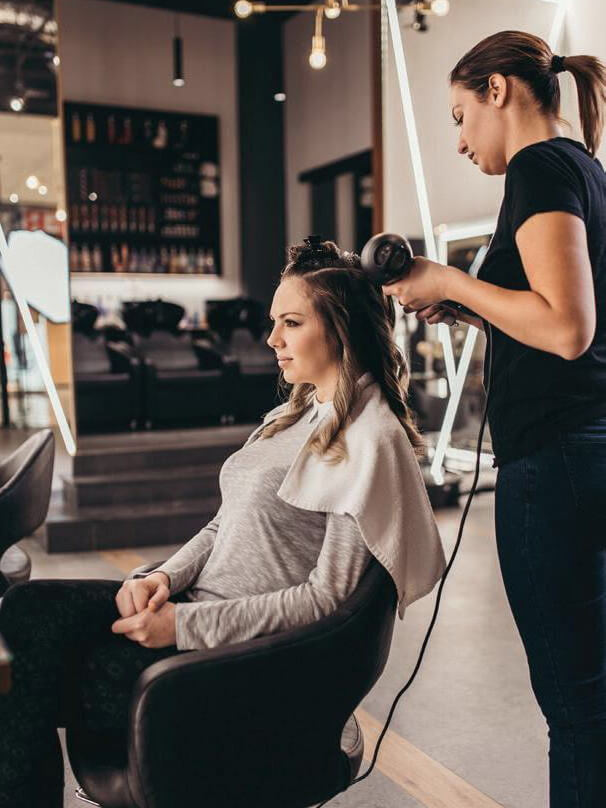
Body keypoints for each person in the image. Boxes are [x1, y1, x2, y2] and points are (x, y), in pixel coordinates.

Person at [0, 239, 445, 807]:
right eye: (273, 322)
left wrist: (182, 628)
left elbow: (327, 601)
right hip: (192, 609)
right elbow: (221, 526)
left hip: (233, 658)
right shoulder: (291, 415)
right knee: (24, 609)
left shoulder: (369, 438)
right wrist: (164, 577)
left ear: (342, 331)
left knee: (34, 675)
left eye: (291, 323)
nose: (272, 339)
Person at [382, 30, 606, 808]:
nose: (458, 141)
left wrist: (451, 281)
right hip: (589, 450)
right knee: (595, 702)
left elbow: (568, 330)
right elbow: (556, 319)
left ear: (499, 90)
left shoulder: (538, 167)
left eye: (459, 116)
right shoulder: (587, 169)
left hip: (554, 465)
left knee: (577, 712)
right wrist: (469, 310)